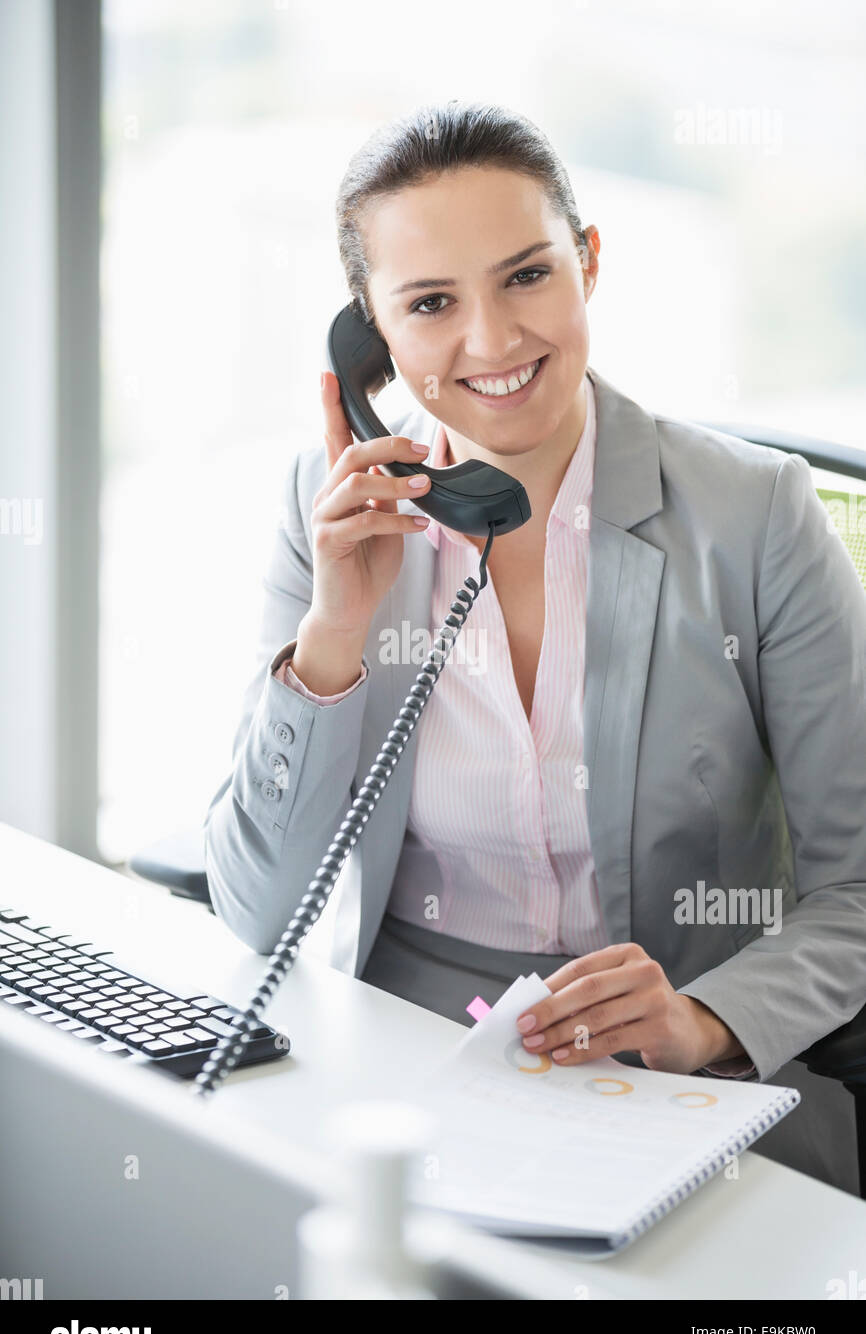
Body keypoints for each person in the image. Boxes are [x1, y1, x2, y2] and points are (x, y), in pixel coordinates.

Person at [204, 101, 866, 1195]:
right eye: (428, 302)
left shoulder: (755, 515)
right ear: (368, 335)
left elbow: (859, 885)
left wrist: (705, 1020)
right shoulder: (323, 512)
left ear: (587, 262)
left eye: (525, 275)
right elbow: (260, 911)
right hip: (407, 1066)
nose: (494, 341)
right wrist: (333, 634)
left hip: (684, 1084)